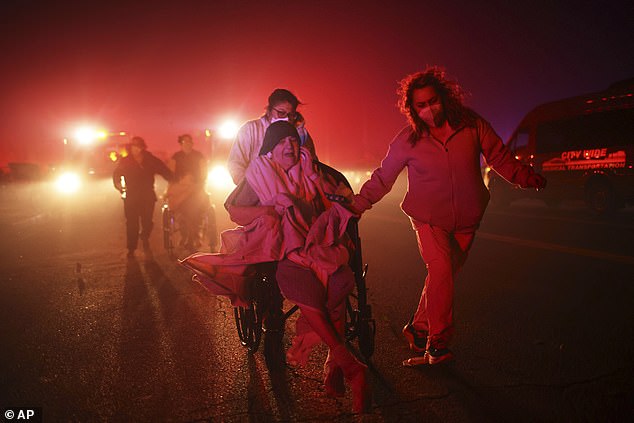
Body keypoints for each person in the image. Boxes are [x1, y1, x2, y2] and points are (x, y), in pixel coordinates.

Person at [350, 67, 547, 366]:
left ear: (444, 98)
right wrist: (360, 203)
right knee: (440, 269)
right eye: (421, 105)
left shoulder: (471, 125)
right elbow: (384, 176)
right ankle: (437, 345)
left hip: (468, 218)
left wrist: (525, 177)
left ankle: (417, 329)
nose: (429, 109)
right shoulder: (408, 139)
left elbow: (498, 156)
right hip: (427, 218)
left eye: (433, 101)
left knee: (443, 278)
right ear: (413, 109)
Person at [182, 121, 371, 413]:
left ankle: (337, 361)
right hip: (280, 251)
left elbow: (342, 203)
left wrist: (316, 189)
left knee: (339, 280)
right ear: (270, 147)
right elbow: (235, 211)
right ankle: (347, 363)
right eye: (282, 142)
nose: (290, 147)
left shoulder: (315, 171)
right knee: (297, 280)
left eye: (294, 142)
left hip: (319, 243)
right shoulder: (258, 174)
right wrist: (273, 208)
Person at [227, 88, 317, 184]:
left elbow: (313, 166)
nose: (286, 118)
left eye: (291, 115)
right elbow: (236, 165)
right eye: (281, 113)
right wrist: (252, 189)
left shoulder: (302, 136)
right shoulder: (250, 130)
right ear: (269, 111)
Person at [113, 136, 173, 259]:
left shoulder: (150, 159)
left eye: (138, 146)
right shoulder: (126, 161)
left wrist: (174, 179)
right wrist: (119, 186)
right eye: (134, 146)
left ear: (142, 147)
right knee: (131, 223)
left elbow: (163, 170)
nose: (136, 149)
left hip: (147, 196)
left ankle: (144, 236)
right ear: (131, 148)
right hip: (131, 197)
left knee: (147, 222)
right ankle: (131, 248)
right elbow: (117, 175)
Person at [166, 134, 209, 251]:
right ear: (181, 144)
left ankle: (193, 237)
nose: (188, 144)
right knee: (182, 213)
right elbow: (171, 173)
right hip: (181, 189)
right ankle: (187, 236)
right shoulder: (176, 157)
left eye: (189, 142)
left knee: (196, 211)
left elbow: (204, 172)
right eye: (185, 142)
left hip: (196, 188)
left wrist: (197, 183)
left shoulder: (198, 156)